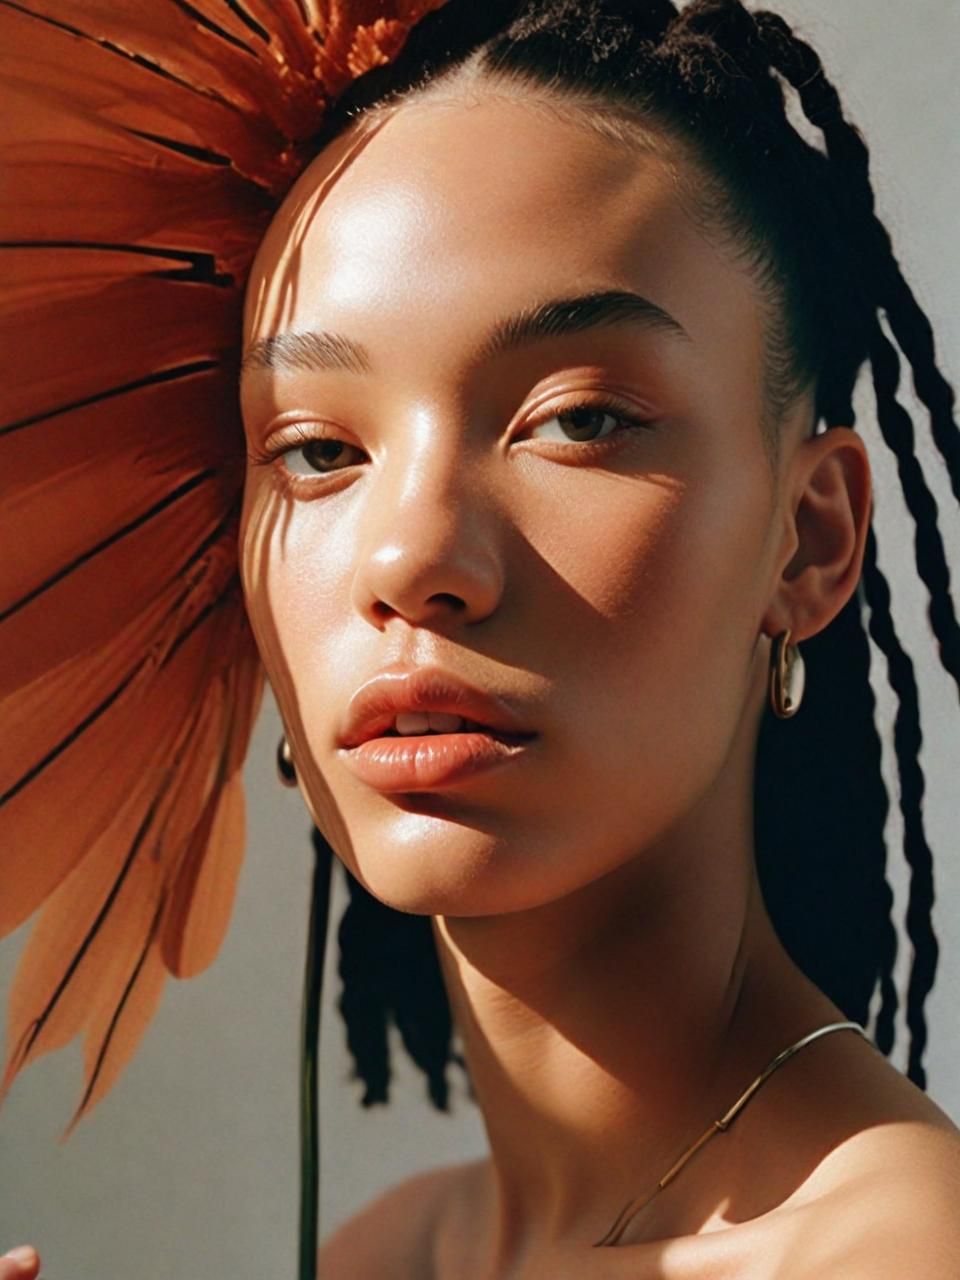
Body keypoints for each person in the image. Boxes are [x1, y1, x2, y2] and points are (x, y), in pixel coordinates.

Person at [2, 1, 959, 1276]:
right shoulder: (388, 1254)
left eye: (578, 421)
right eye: (318, 450)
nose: (410, 560)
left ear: (811, 537)